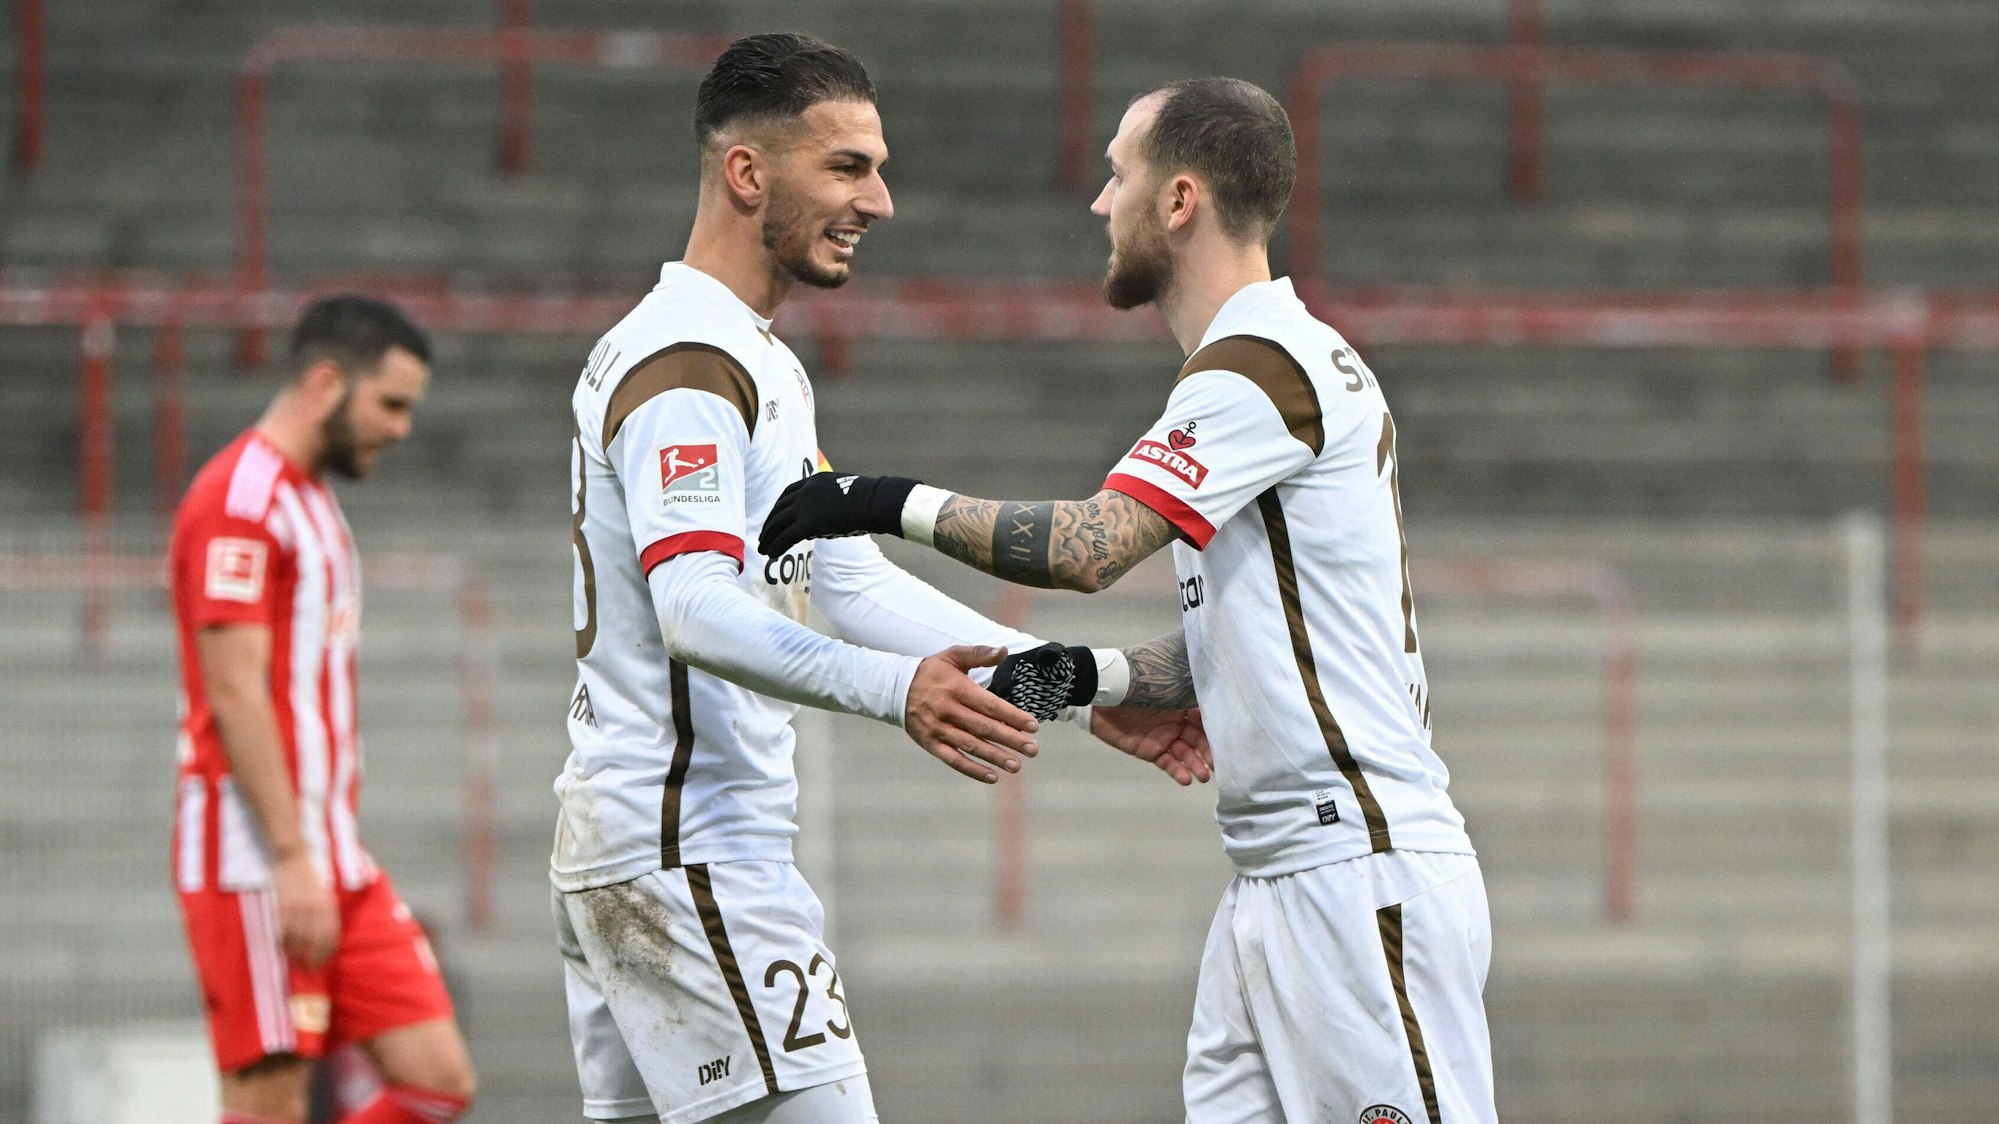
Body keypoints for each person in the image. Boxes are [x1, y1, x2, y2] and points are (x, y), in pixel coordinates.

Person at [760, 77, 1497, 1124]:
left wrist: (874, 499)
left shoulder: (1260, 365)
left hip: (1356, 871)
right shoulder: (1249, 369)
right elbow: (1235, 642)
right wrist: (1087, 679)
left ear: (1180, 199)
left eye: (1118, 174)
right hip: (1274, 883)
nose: (1101, 204)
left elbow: (1087, 545)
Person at [551, 33, 1210, 1124]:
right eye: (848, 166)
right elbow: (694, 606)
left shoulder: (749, 355)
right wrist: (894, 690)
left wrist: (1064, 689)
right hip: (689, 853)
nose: (881, 199)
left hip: (654, 851)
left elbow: (846, 579)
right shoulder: (684, 363)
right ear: (747, 173)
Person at [168, 295, 478, 1124]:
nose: (402, 428)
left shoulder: (313, 503)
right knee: (269, 1104)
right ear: (325, 381)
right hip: (258, 860)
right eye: (391, 404)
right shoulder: (240, 499)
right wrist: (288, 855)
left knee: (437, 1082)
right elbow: (234, 690)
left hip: (332, 857)